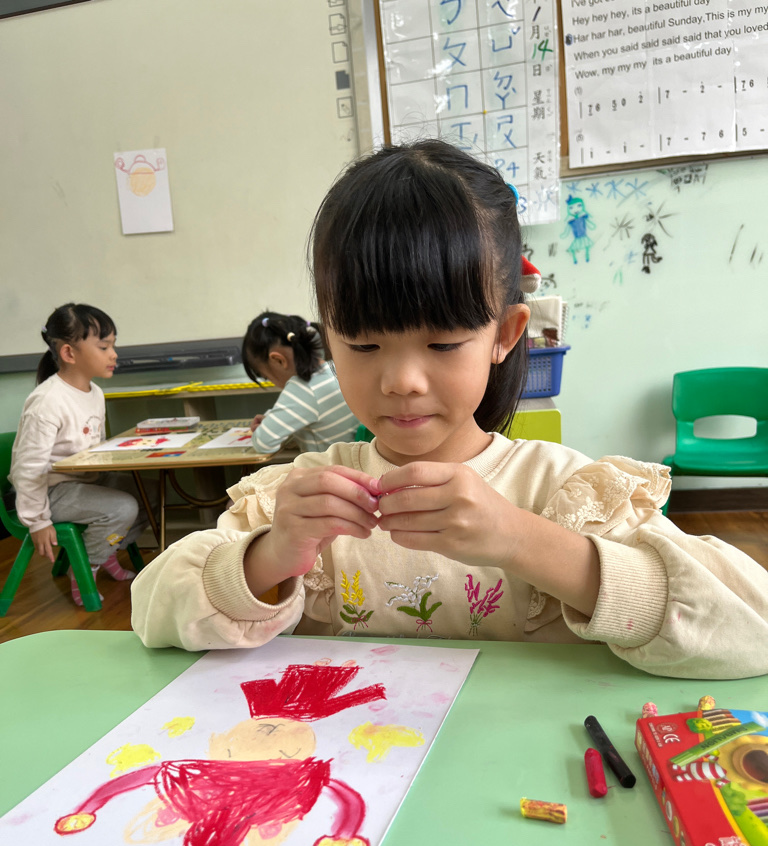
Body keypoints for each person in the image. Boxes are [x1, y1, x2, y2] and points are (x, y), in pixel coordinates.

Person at [132, 140, 768, 679]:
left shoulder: (562, 492)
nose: (402, 381)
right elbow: (151, 612)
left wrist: (522, 539)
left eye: (442, 343)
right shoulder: (297, 499)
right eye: (363, 345)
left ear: (505, 335)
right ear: (328, 340)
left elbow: (751, 626)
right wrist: (269, 556)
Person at [10, 303, 148, 606]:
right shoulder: (47, 401)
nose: (114, 354)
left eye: (113, 346)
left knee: (146, 493)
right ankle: (86, 565)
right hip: (51, 491)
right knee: (122, 508)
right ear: (69, 353)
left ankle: (106, 550)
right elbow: (28, 469)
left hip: (84, 481)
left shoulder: (95, 393)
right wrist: (37, 521)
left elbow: (94, 449)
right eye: (104, 347)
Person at [242, 311, 359, 454]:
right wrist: (271, 418)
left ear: (278, 360)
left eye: (266, 377)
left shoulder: (304, 388)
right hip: (353, 460)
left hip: (327, 465)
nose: (272, 382)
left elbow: (264, 443)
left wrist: (262, 429)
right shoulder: (334, 369)